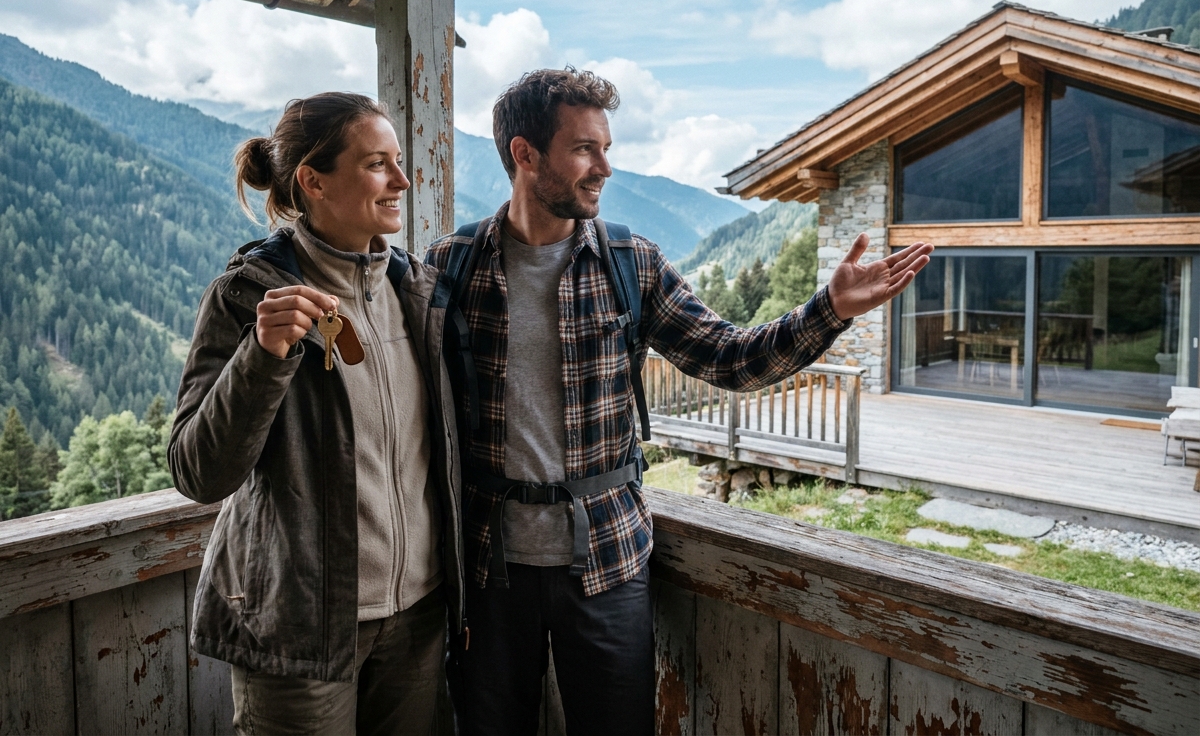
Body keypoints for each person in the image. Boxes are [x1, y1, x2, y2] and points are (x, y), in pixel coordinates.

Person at [425, 68, 933, 736]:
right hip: (487, 569)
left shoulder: (631, 262)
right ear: (525, 154)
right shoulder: (451, 266)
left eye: (606, 148)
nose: (605, 167)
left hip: (608, 560)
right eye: (584, 149)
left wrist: (828, 310)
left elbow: (731, 357)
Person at [169, 92, 465, 736]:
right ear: (313, 180)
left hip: (417, 619)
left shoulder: (417, 292)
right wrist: (262, 355)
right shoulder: (246, 297)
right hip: (301, 628)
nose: (402, 181)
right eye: (377, 164)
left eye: (398, 161)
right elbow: (197, 472)